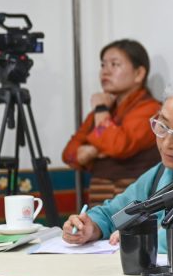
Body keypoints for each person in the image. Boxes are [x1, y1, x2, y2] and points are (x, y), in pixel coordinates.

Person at [62, 75, 173, 254]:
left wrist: (139, 237)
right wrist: (91, 226)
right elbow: (113, 214)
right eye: (162, 126)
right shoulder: (161, 174)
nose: (167, 143)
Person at [62, 39, 161, 204]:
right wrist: (94, 149)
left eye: (115, 64)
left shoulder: (150, 109)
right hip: (99, 199)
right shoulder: (105, 111)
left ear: (139, 73)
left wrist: (93, 148)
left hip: (133, 202)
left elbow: (118, 146)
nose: (105, 72)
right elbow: (69, 154)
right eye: (103, 65)